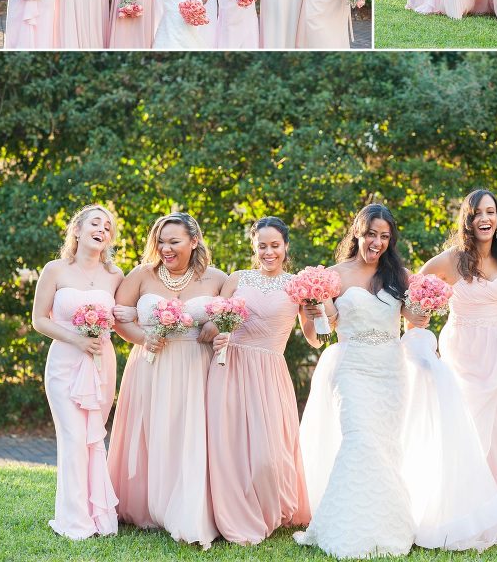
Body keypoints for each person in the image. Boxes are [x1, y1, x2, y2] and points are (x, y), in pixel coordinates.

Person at [295, 204, 497, 557]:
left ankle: (390, 525)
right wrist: (311, 310)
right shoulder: (333, 276)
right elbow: (317, 336)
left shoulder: (399, 276)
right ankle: (347, 527)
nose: (377, 243)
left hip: (391, 371)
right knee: (359, 440)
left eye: (384, 237)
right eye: (371, 234)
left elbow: (416, 319)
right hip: (352, 367)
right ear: (357, 233)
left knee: (386, 449)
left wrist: (426, 306)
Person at [420, 189, 497, 539]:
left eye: (491, 212)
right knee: (466, 429)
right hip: (462, 352)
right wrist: (417, 334)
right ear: (468, 221)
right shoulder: (450, 260)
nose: (485, 218)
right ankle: (459, 513)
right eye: (477, 213)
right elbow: (413, 292)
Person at [106, 212, 226, 548]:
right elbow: (119, 317)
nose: (166, 248)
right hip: (151, 364)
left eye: (174, 241)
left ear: (194, 241)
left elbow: (234, 315)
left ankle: (187, 506)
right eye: (161, 241)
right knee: (153, 430)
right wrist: (143, 338)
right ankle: (148, 504)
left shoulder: (216, 278)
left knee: (190, 433)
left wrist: (215, 327)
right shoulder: (142, 275)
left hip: (195, 366)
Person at [207, 217, 319, 544]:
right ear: (254, 247)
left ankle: (268, 510)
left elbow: (314, 340)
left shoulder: (299, 285)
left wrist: (314, 315)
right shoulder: (237, 279)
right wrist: (219, 329)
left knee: (267, 457)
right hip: (229, 367)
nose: (269, 252)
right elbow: (211, 327)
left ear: (285, 246)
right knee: (229, 448)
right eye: (262, 246)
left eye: (275, 246)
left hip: (270, 373)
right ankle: (230, 513)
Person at [31, 204, 123, 538]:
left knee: (93, 438)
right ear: (78, 229)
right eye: (96, 223)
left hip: (102, 364)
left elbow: (125, 317)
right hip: (65, 364)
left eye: (108, 226)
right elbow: (39, 319)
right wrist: (75, 338)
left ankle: (99, 517)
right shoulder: (55, 270)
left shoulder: (116, 275)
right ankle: (75, 522)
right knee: (72, 438)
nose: (102, 229)